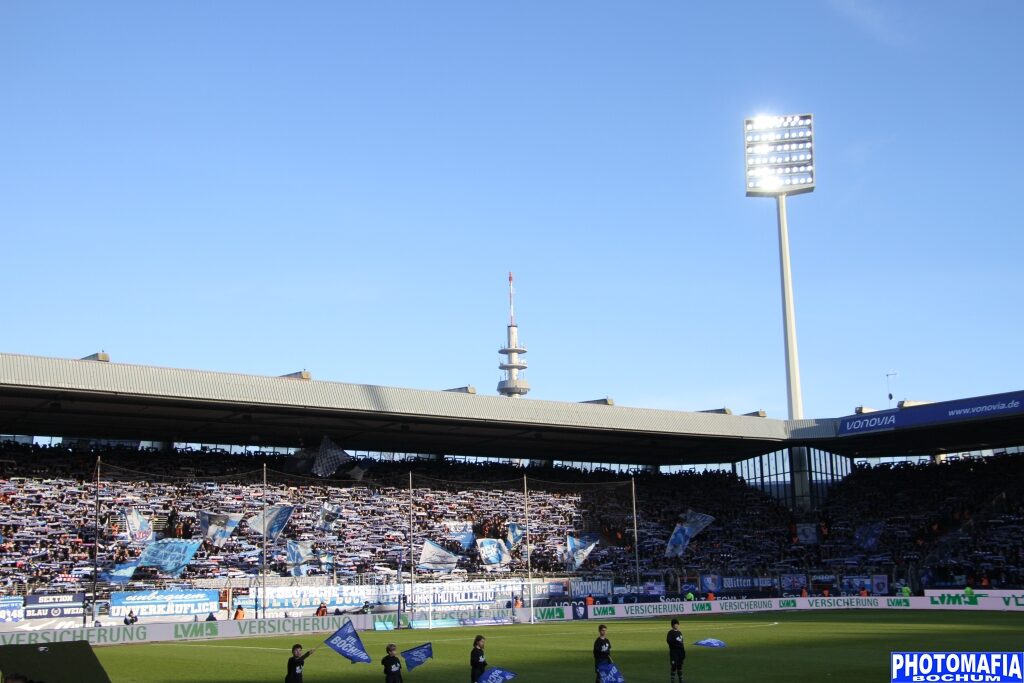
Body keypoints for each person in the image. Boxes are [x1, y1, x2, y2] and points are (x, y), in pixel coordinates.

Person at [667, 618, 685, 683]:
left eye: (677, 624)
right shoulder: (670, 633)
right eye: (675, 624)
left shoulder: (679, 632)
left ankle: (681, 679)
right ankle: (672, 680)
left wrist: (683, 652)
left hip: (680, 652)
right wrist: (676, 644)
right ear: (672, 625)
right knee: (674, 666)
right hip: (674, 652)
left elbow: (682, 643)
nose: (677, 625)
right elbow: (669, 641)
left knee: (679, 666)